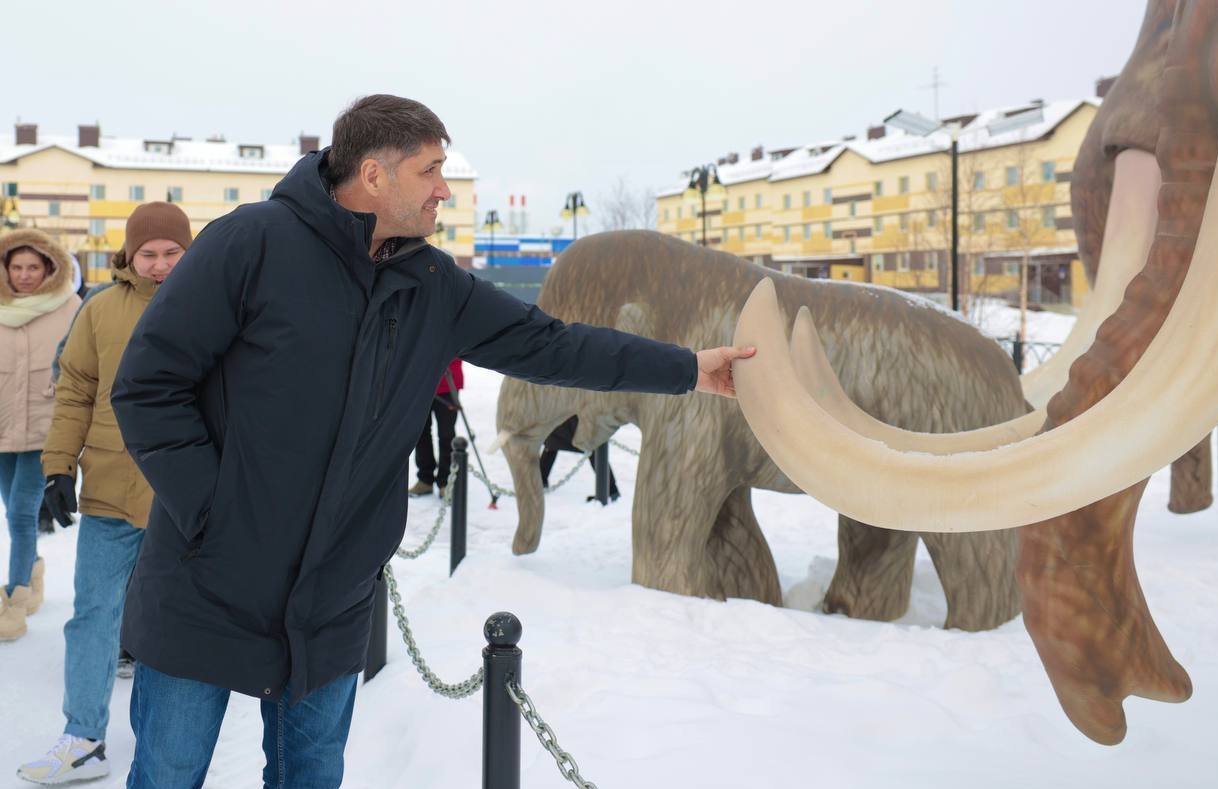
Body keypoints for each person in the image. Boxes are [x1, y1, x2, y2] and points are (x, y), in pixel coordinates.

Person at [109, 94, 751, 788]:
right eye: (430, 170)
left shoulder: (433, 283)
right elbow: (148, 385)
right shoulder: (251, 242)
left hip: (330, 598)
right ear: (375, 175)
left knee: (310, 776)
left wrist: (687, 368)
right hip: (206, 583)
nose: (444, 188)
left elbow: (552, 345)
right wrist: (211, 511)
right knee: (169, 774)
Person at [16, 203, 192, 784]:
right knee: (93, 615)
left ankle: (169, 743)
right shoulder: (99, 310)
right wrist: (58, 466)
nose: (161, 264)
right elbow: (73, 394)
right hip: (111, 490)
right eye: (149, 253)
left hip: (187, 495)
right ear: (128, 254)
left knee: (174, 622)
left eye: (172, 253)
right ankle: (84, 736)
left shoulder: (214, 305)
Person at [0, 229, 80, 642]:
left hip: (47, 427)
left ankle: (14, 599)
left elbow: (82, 364)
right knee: (11, 508)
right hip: (3, 426)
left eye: (33, 267)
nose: (25, 275)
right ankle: (31, 570)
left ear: (49, 268)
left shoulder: (70, 307)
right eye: (17, 267)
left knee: (20, 511)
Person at [409, 357, 462, 496]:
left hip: (447, 384)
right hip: (419, 384)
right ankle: (425, 479)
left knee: (447, 434)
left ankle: (446, 482)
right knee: (421, 433)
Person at [540, 415, 620, 501]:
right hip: (574, 414)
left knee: (592, 447)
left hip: (582, 414)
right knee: (551, 440)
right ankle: (540, 479)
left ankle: (611, 490)